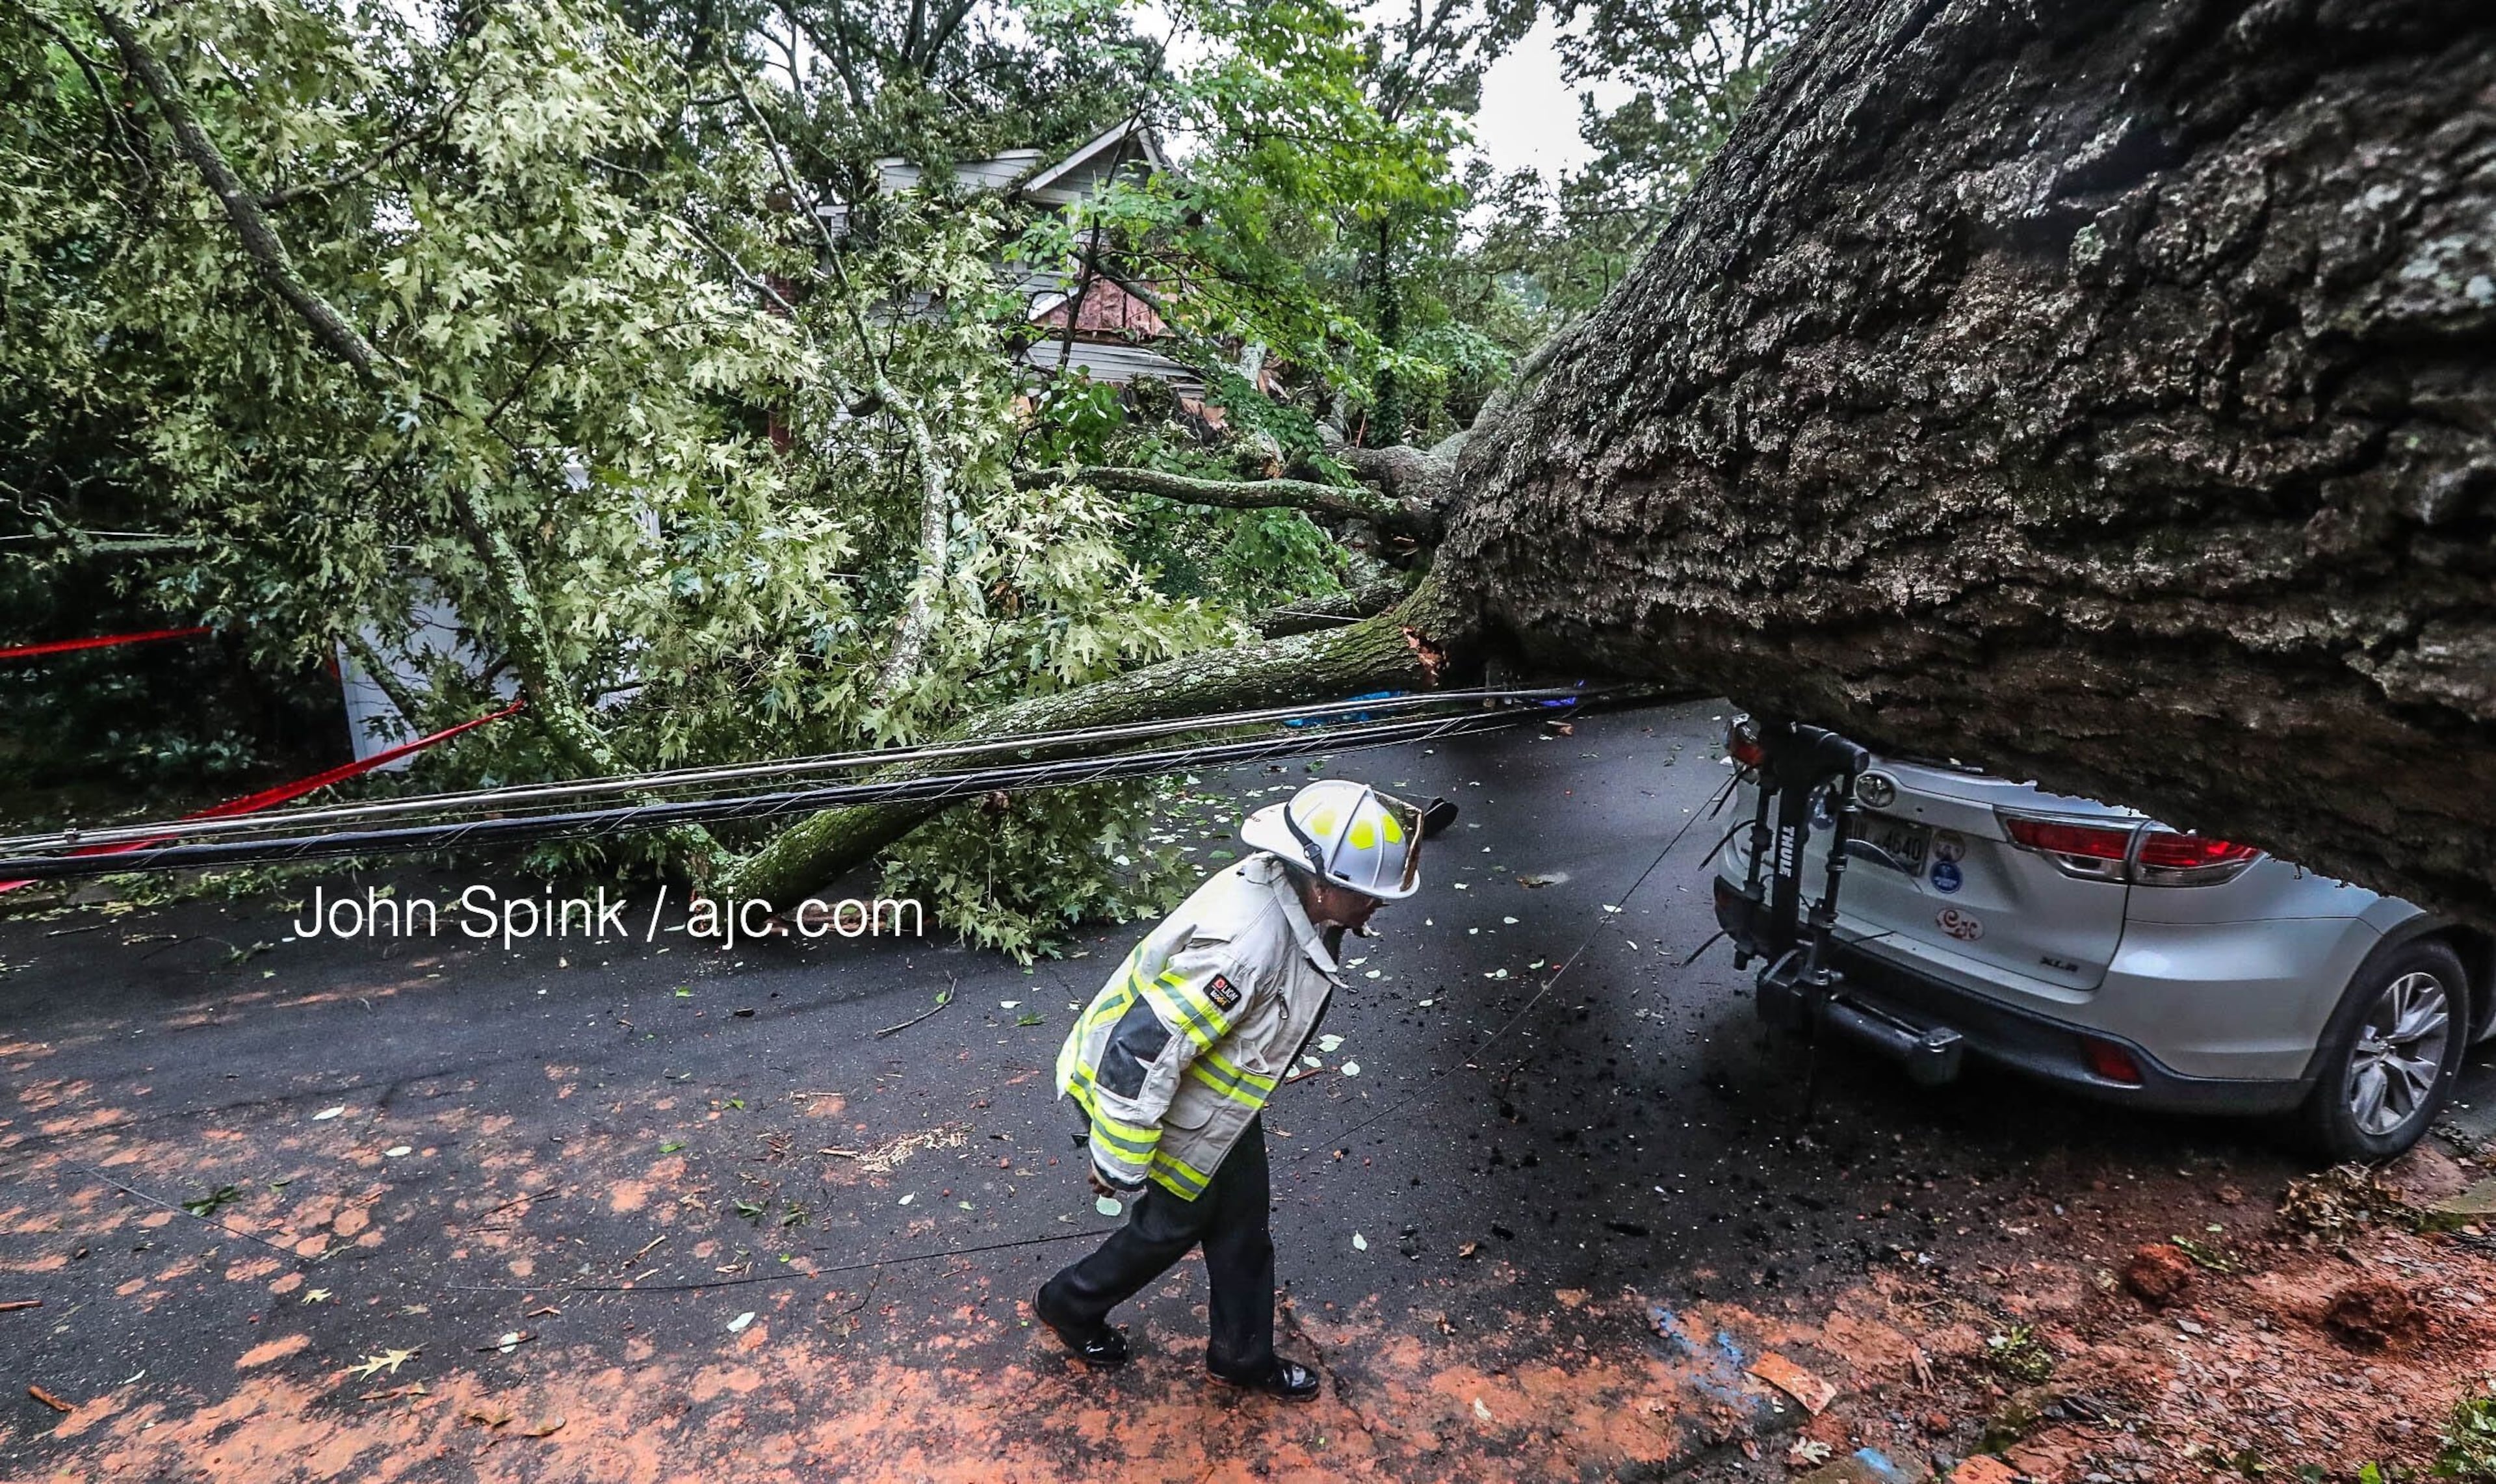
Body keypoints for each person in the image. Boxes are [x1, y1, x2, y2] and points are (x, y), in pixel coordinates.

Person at [1034, 778, 1440, 1400]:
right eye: (1369, 895)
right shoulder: (1244, 951)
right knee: (1175, 1222)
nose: (1377, 907)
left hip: (1214, 1106)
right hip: (1150, 1102)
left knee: (1242, 1226)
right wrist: (1117, 1161)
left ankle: (1241, 1355)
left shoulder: (1301, 899)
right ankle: (1069, 1301)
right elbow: (1140, 1052)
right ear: (1323, 883)